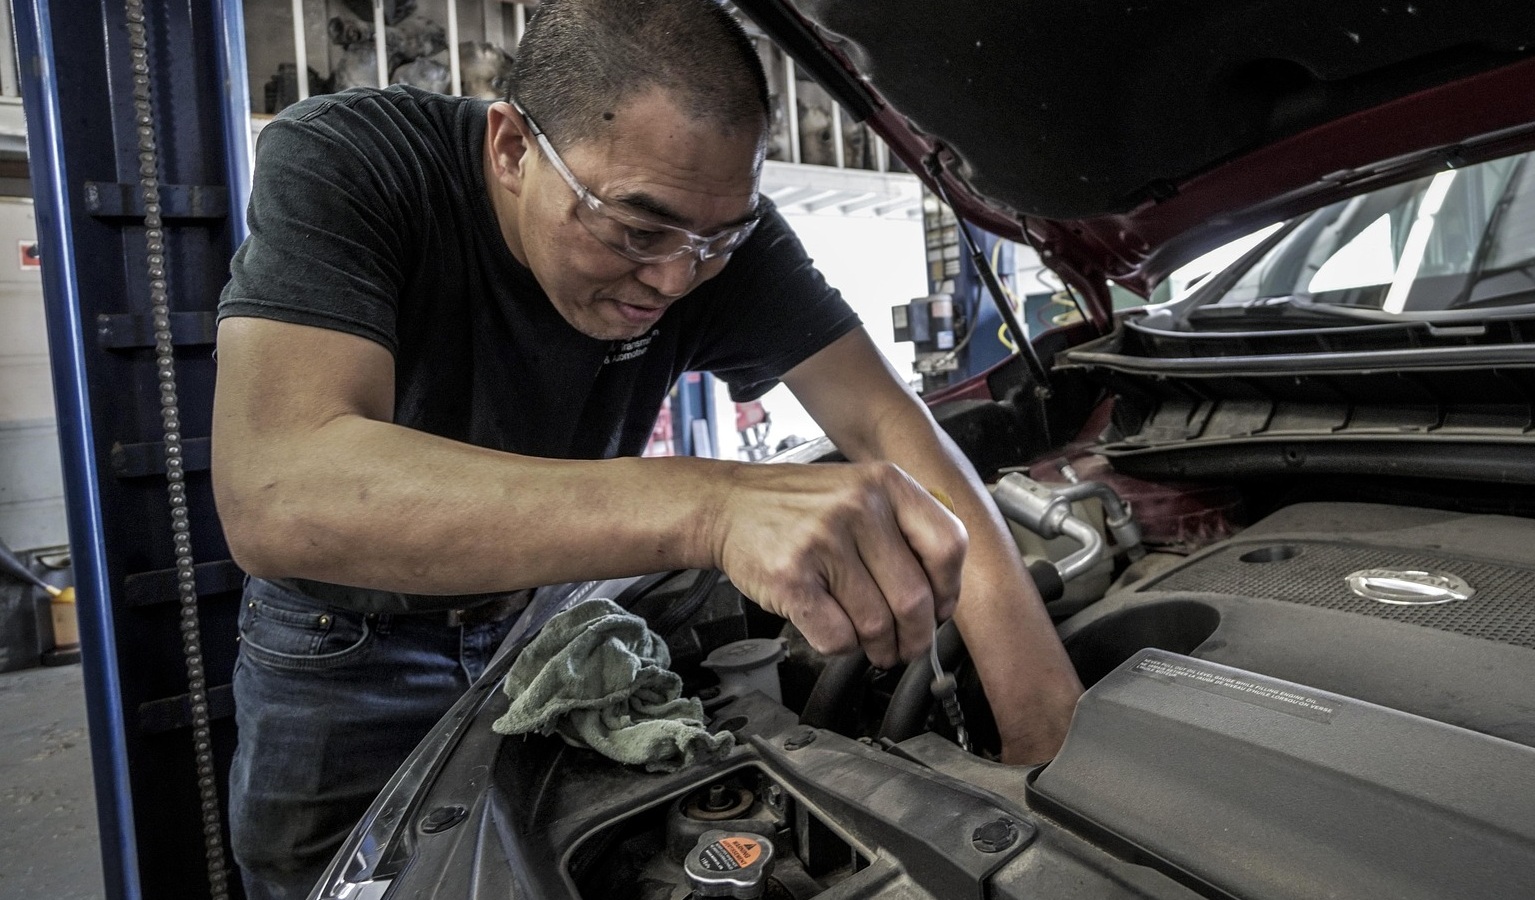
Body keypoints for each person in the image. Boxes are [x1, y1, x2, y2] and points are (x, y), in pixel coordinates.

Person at [209, 1, 1083, 896]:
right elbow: (281, 490)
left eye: (719, 239)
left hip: (549, 620)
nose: (675, 277)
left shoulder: (706, 233)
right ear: (511, 149)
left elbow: (889, 428)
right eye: (635, 230)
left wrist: (1043, 728)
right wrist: (712, 506)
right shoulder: (357, 160)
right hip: (348, 648)